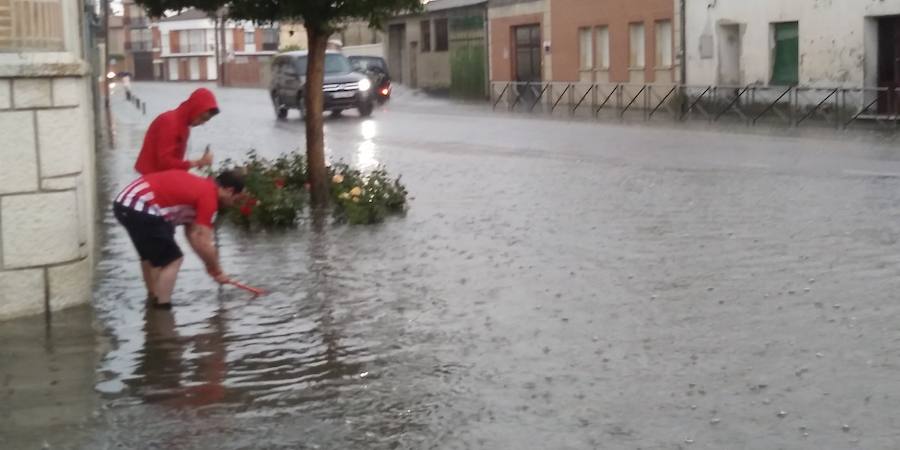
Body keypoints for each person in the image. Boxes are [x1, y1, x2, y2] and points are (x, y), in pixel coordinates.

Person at [113, 169, 244, 308]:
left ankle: (153, 298)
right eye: (236, 199)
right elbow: (204, 241)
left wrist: (209, 266)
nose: (233, 203)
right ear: (229, 190)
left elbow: (193, 235)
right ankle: (162, 309)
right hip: (140, 206)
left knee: (150, 257)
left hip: (124, 204)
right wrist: (217, 270)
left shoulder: (202, 187)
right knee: (173, 260)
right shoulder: (209, 196)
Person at [134, 88, 219, 175]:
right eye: (202, 118)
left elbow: (173, 162)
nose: (202, 123)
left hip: (159, 177)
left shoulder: (182, 124)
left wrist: (196, 164)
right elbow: (164, 163)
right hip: (150, 179)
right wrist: (197, 163)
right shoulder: (170, 123)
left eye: (206, 120)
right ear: (195, 109)